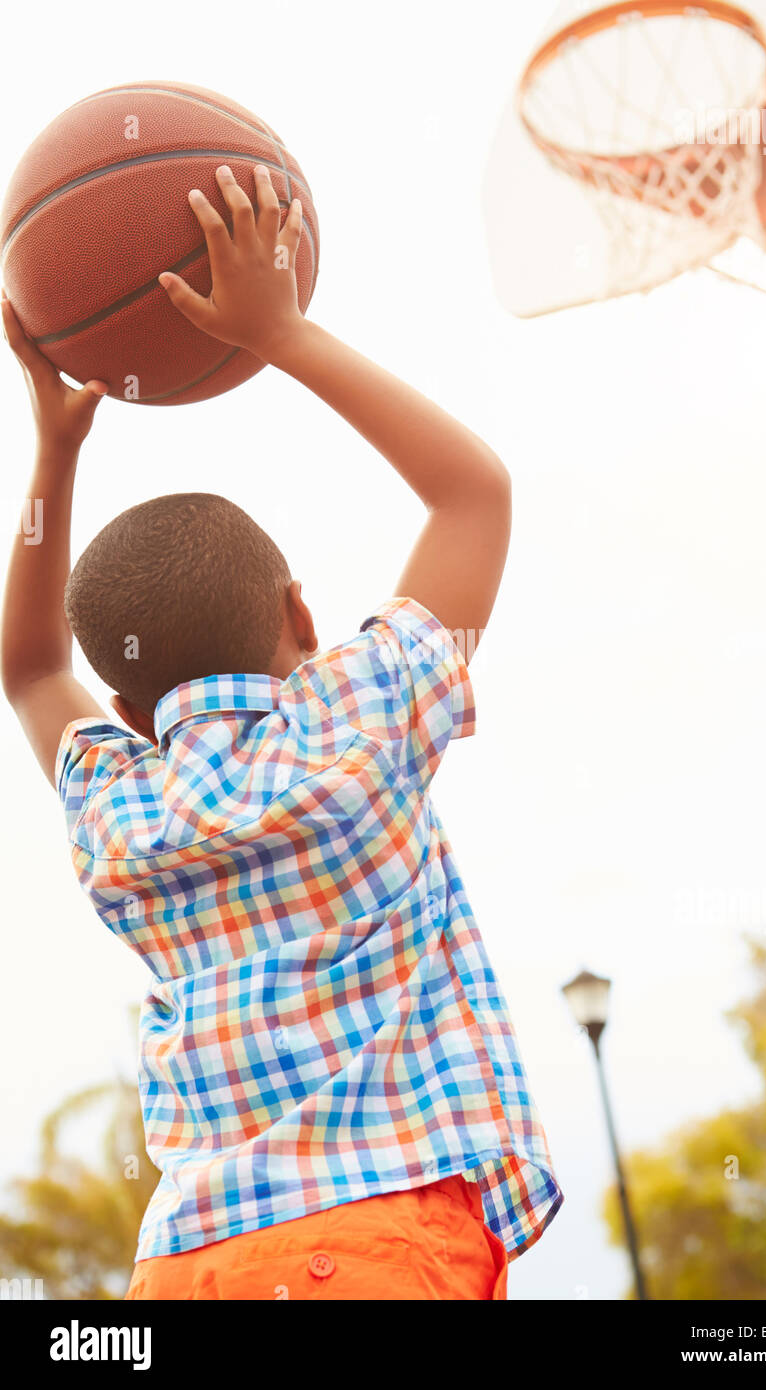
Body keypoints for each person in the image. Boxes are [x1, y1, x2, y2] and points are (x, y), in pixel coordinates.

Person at [0, 163, 562, 1299]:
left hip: (186, 1268)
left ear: (121, 709)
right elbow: (474, 493)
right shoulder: (359, 718)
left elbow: (26, 666)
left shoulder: (119, 811)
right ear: (301, 615)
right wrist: (279, 333)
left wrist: (55, 446)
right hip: (373, 1245)